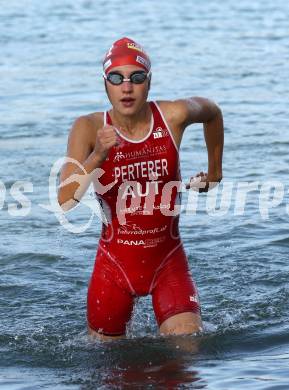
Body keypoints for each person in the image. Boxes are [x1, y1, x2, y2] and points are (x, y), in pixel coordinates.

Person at [57, 37, 224, 341]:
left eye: (136, 77)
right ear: (105, 83)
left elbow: (211, 111)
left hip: (168, 261)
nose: (127, 87)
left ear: (149, 81)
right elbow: (65, 200)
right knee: (108, 370)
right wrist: (98, 156)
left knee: (187, 353)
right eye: (116, 78)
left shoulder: (172, 116)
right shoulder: (88, 127)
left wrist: (214, 174)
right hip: (114, 268)